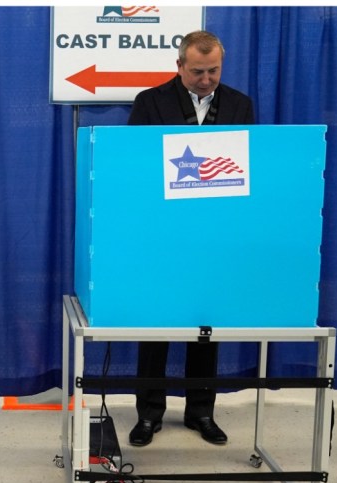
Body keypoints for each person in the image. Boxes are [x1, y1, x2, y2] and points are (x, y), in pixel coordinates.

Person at [126, 31, 254, 447]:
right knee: (156, 324)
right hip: (161, 234)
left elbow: (248, 165)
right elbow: (135, 163)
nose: (205, 79)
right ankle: (148, 414)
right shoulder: (149, 102)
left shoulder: (240, 104)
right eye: (197, 71)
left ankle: (201, 411)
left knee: (205, 327)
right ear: (179, 66)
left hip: (214, 237)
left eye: (213, 70)